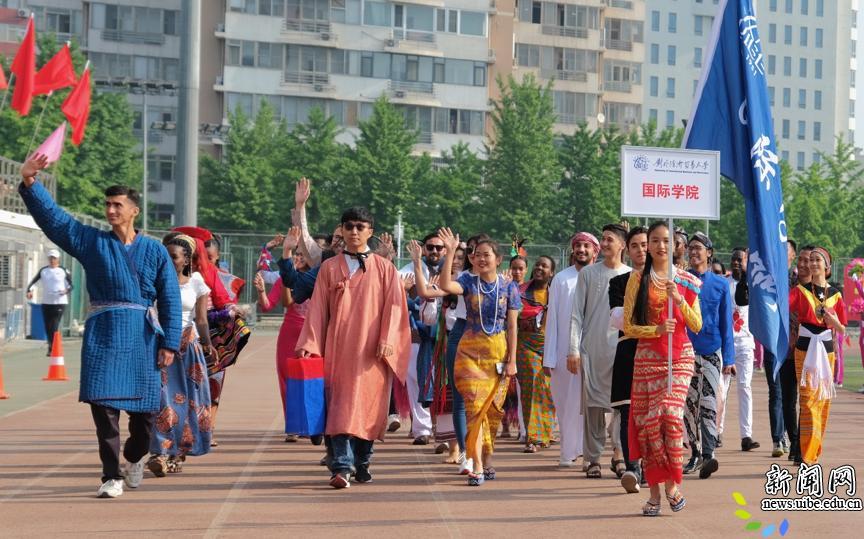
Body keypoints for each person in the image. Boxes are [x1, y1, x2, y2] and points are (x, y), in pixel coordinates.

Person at [18, 154, 181, 499]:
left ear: (134, 210)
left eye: (117, 205)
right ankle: (110, 476)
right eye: (107, 204)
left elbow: (169, 298)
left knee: (144, 417)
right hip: (103, 336)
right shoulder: (92, 242)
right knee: (103, 411)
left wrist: (170, 342)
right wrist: (31, 183)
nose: (110, 210)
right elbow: (57, 222)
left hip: (142, 339)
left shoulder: (155, 251)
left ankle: (134, 457)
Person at [296, 207, 410, 489]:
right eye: (349, 226)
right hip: (338, 350)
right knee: (339, 407)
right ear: (342, 230)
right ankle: (341, 467)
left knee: (368, 407)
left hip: (373, 353)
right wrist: (310, 343)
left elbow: (395, 307)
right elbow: (317, 309)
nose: (354, 232)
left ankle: (363, 462)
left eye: (360, 226)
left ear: (370, 231)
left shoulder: (385, 269)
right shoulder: (329, 268)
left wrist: (388, 339)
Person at [623, 221, 702, 516]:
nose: (660, 246)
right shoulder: (637, 280)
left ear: (675, 245)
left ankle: (673, 484)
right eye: (654, 240)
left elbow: (697, 324)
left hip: (679, 356)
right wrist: (655, 329)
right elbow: (629, 327)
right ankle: (656, 493)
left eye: (666, 240)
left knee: (668, 414)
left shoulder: (686, 281)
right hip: (647, 359)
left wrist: (679, 300)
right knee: (648, 426)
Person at [438, 228, 520, 486]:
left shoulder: (509, 287)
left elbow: (512, 326)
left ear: (498, 259)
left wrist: (512, 360)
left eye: (487, 255)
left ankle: (487, 455)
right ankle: (477, 465)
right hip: (469, 352)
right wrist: (450, 252)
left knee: (493, 412)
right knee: (474, 409)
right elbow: (445, 286)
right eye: (477, 255)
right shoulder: (467, 282)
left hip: (498, 353)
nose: (482, 259)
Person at [568, 224, 631, 479]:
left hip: (621, 349)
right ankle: (592, 458)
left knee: (621, 406)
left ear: (622, 245)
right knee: (593, 408)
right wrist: (573, 349)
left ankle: (619, 453)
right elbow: (576, 315)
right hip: (592, 350)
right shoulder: (588, 274)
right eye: (603, 239)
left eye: (609, 240)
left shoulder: (631, 275)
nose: (604, 244)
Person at [147, 234, 213, 476]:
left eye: (173, 256)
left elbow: (201, 319)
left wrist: (208, 345)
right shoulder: (153, 280)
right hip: (161, 346)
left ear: (186, 260)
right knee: (161, 400)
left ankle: (178, 453)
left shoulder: (197, 282)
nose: (167, 260)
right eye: (164, 255)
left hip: (188, 347)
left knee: (190, 401)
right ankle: (160, 451)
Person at [255, 227, 319, 444]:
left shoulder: (319, 278)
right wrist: (262, 291)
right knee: (288, 381)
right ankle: (293, 425)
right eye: (296, 254)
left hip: (312, 334)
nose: (298, 258)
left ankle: (310, 425)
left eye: (302, 255)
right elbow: (274, 304)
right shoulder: (285, 279)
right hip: (290, 334)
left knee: (311, 379)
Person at [682, 232, 735, 479]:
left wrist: (730, 359)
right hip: (685, 351)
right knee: (689, 404)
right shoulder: (681, 280)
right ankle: (694, 452)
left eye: (698, 248)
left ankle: (709, 454)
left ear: (709, 253)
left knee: (709, 402)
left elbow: (726, 324)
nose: (694, 252)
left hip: (711, 350)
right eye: (691, 248)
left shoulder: (721, 284)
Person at [543, 232, 599, 468]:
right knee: (565, 403)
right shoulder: (561, 279)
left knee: (590, 405)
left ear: (595, 251)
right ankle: (568, 451)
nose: (581, 250)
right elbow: (552, 319)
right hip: (564, 353)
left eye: (586, 246)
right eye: (578, 246)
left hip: (594, 351)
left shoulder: (600, 277)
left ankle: (589, 454)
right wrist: (549, 357)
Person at [789, 246, 846, 465]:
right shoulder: (800, 291)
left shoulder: (836, 295)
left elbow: (842, 329)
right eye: (810, 260)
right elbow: (781, 308)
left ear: (827, 266)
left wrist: (834, 321)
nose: (812, 263)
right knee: (807, 401)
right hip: (804, 349)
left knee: (822, 402)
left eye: (817, 260)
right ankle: (807, 456)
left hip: (826, 350)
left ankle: (813, 451)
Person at [608, 226, 648, 493]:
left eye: (645, 244)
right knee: (628, 413)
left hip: (657, 353)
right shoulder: (619, 283)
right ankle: (633, 467)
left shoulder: (667, 281)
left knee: (654, 414)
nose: (641, 250)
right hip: (628, 351)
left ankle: (651, 466)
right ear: (627, 249)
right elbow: (617, 319)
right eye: (635, 245)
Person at [399, 232, 447, 446]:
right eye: (430, 247)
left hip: (445, 337)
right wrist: (405, 291)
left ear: (445, 250)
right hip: (418, 336)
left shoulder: (452, 271)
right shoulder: (409, 270)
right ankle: (422, 430)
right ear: (423, 248)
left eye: (439, 248)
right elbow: (394, 288)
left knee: (444, 384)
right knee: (416, 382)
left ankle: (444, 430)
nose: (434, 251)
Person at [719, 248, 760, 456]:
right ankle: (717, 432)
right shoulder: (724, 284)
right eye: (733, 259)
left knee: (744, 387)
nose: (736, 263)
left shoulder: (753, 286)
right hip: (726, 344)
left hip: (745, 343)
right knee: (721, 389)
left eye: (740, 260)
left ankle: (746, 436)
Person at [516, 256, 556, 453]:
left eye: (544, 266)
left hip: (551, 344)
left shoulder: (556, 292)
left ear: (552, 272)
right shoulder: (520, 292)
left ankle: (546, 433)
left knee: (548, 389)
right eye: (537, 264)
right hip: (526, 344)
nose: (539, 268)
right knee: (531, 386)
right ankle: (533, 437)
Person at [26, 248, 73, 355]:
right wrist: (29, 291)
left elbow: (71, 285)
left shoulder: (63, 271)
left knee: (54, 324)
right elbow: (33, 283)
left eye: (54, 258)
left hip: (60, 302)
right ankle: (51, 346)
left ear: (58, 259)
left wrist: (66, 291)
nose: (52, 260)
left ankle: (54, 346)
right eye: (50, 258)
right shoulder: (43, 271)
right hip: (46, 302)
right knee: (48, 325)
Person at [502, 255, 528, 441]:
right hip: (504, 339)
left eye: (520, 268)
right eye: (514, 268)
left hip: (524, 341)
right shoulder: (503, 287)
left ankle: (522, 427)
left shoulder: (530, 290)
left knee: (520, 388)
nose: (517, 272)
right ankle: (504, 424)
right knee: (504, 385)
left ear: (526, 270)